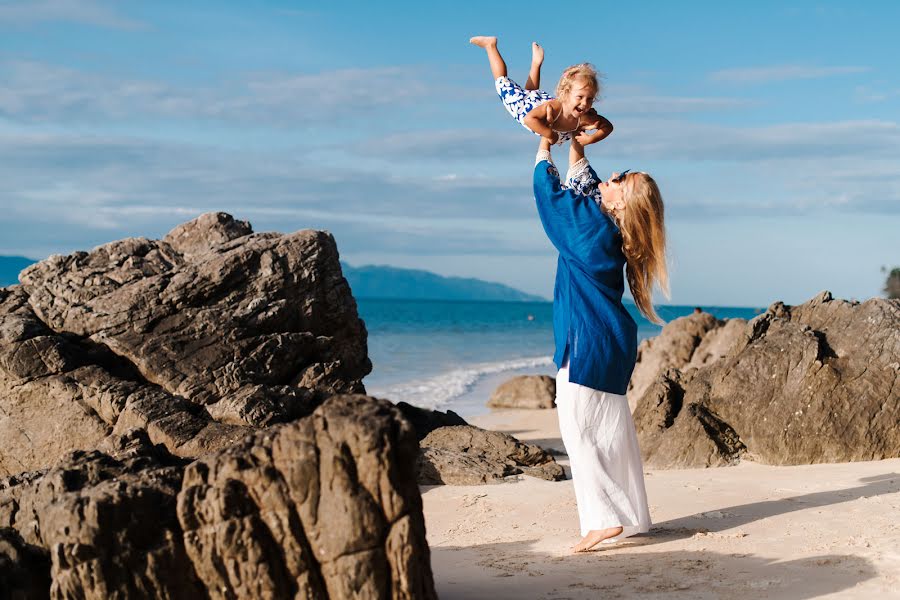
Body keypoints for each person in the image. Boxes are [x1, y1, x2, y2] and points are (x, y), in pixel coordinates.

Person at [533, 135, 670, 553]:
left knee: (578, 432)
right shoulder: (610, 230)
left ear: (620, 204)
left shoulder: (592, 228)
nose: (608, 179)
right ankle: (631, 518)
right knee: (612, 433)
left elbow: (551, 200)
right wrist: (575, 141)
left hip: (588, 341)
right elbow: (584, 187)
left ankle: (603, 520)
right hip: (610, 342)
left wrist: (544, 147)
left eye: (617, 181)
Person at [470, 36, 613, 146]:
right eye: (580, 97)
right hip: (527, 110)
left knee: (531, 92)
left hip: (539, 106)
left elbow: (608, 126)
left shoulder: (586, 117)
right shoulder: (556, 108)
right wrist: (550, 135)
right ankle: (491, 46)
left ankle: (536, 63)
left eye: (590, 99)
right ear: (566, 93)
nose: (585, 103)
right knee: (502, 81)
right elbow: (529, 119)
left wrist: (592, 139)